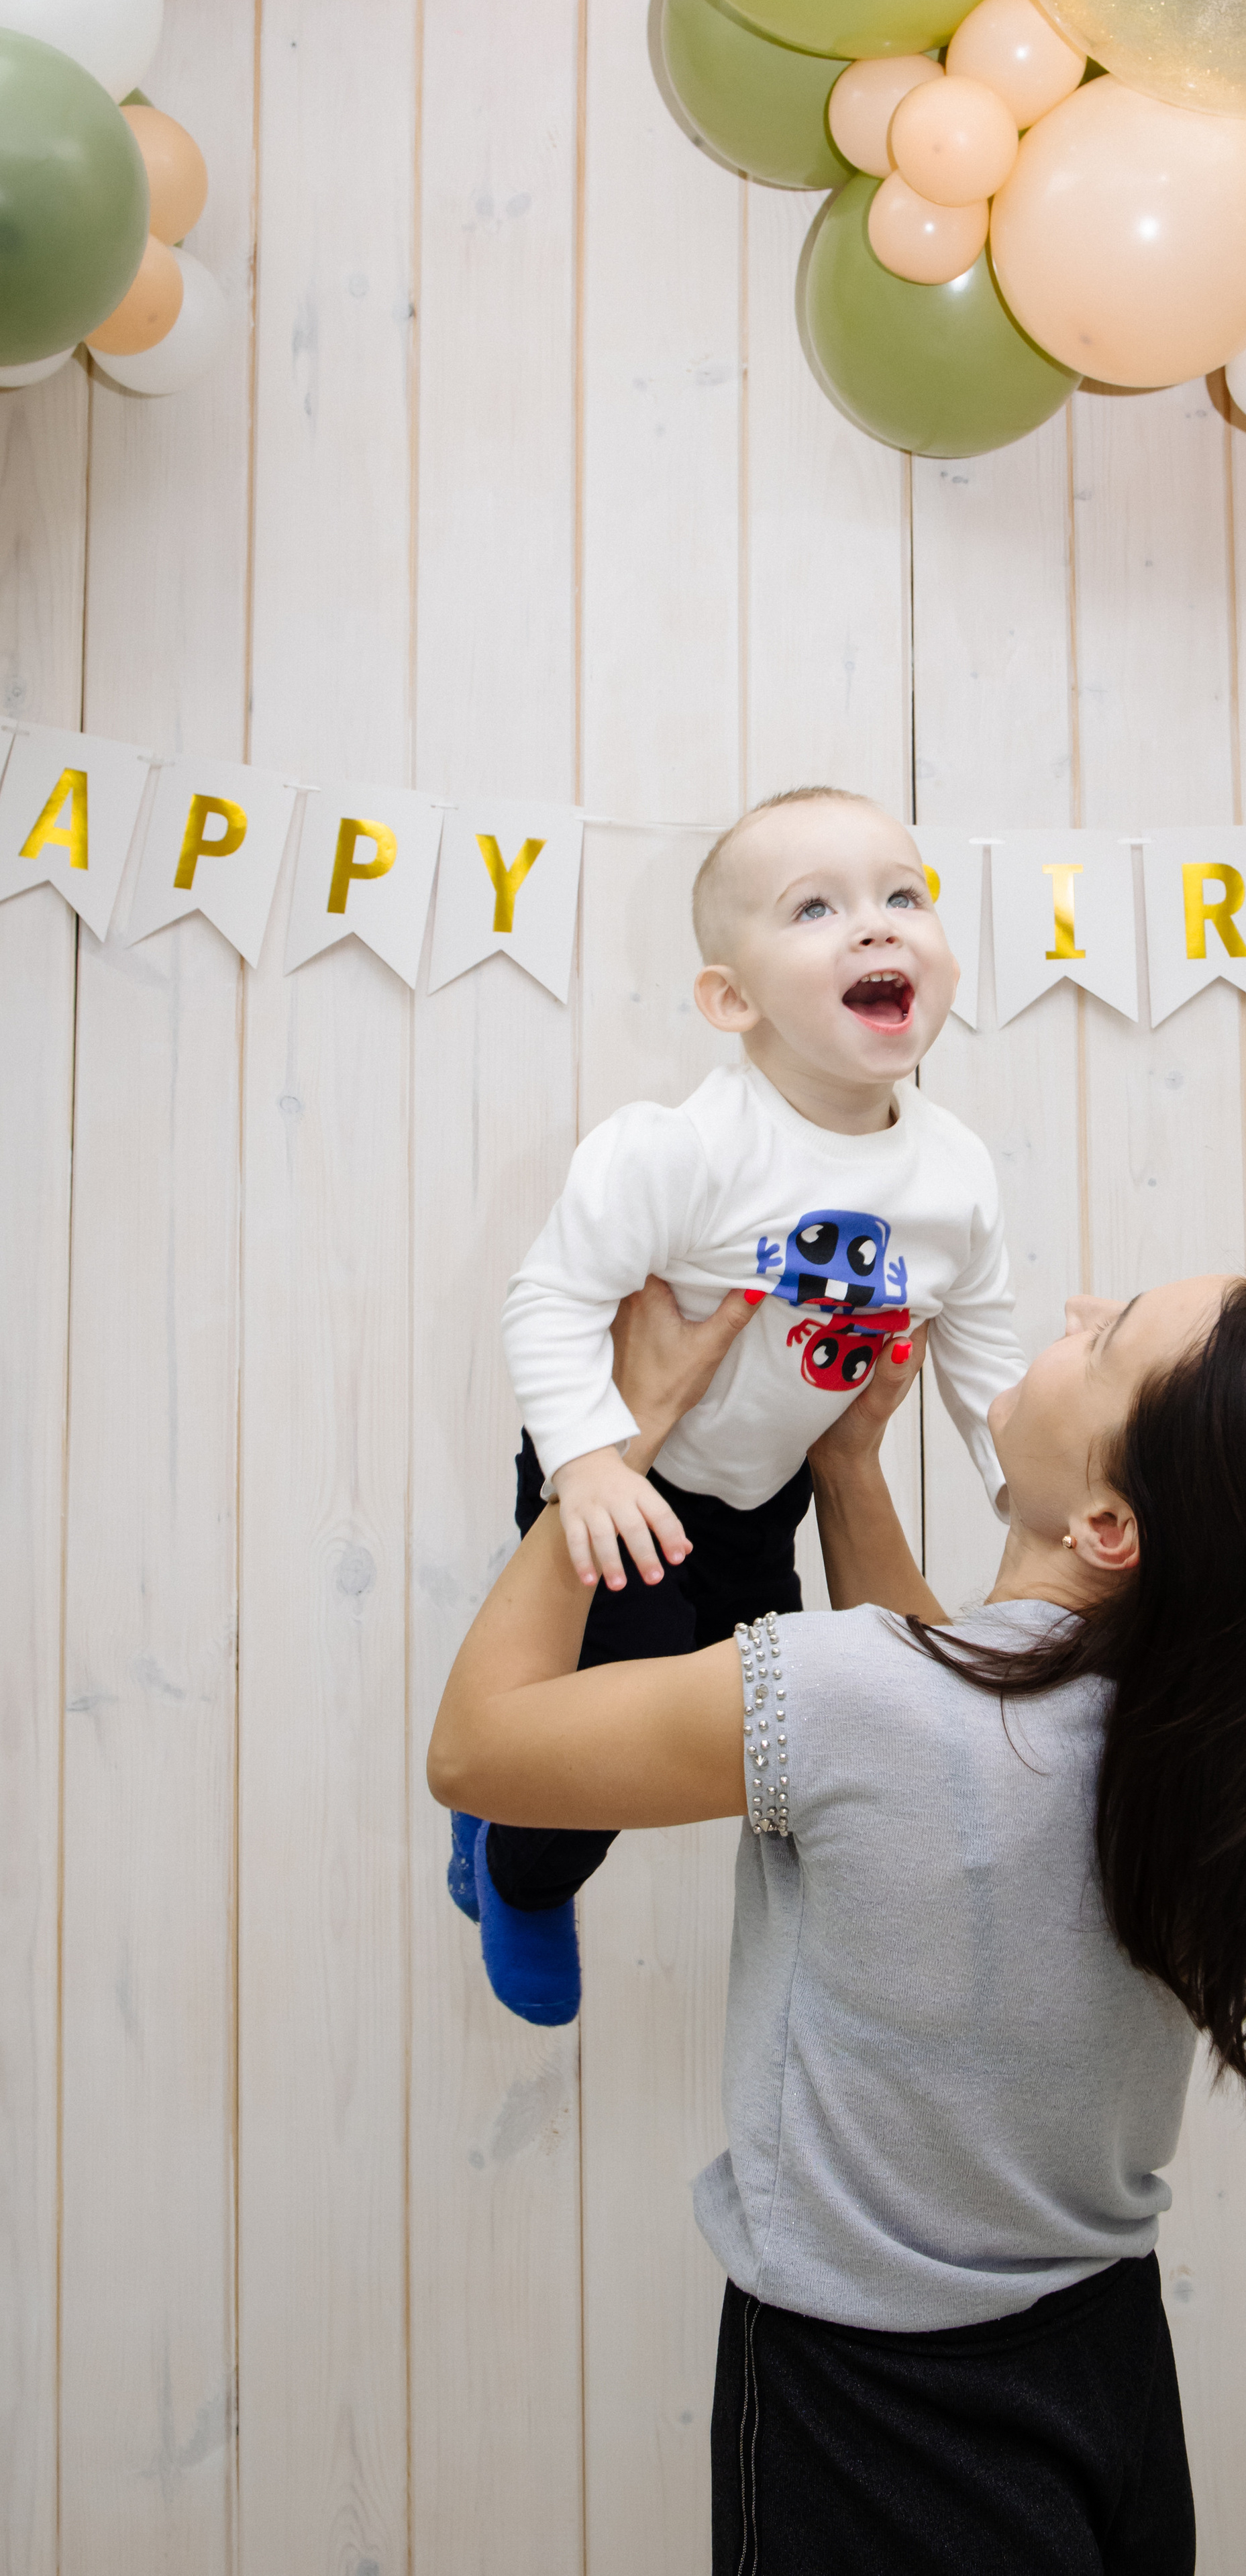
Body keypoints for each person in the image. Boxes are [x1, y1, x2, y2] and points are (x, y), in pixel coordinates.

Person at [428, 1266, 1246, 2575]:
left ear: (1107, 1523)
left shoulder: (864, 1706)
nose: (1076, 1314)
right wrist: (853, 1465)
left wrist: (610, 1435)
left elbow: (476, 1749)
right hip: (1105, 2379)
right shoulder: (1177, 1759)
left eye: (1111, 1336)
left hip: (873, 2427)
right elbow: (946, 1721)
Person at [453, 784, 1024, 2026]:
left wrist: (1023, 1484)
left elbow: (989, 1360)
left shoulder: (958, 1174)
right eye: (816, 908)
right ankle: (516, 1862)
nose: (877, 928)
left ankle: (530, 1820)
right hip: (625, 1487)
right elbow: (549, 1300)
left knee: (770, 1723)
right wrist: (591, 1462)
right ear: (733, 1000)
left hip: (764, 1503)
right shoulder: (681, 1151)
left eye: (904, 895)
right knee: (620, 1709)